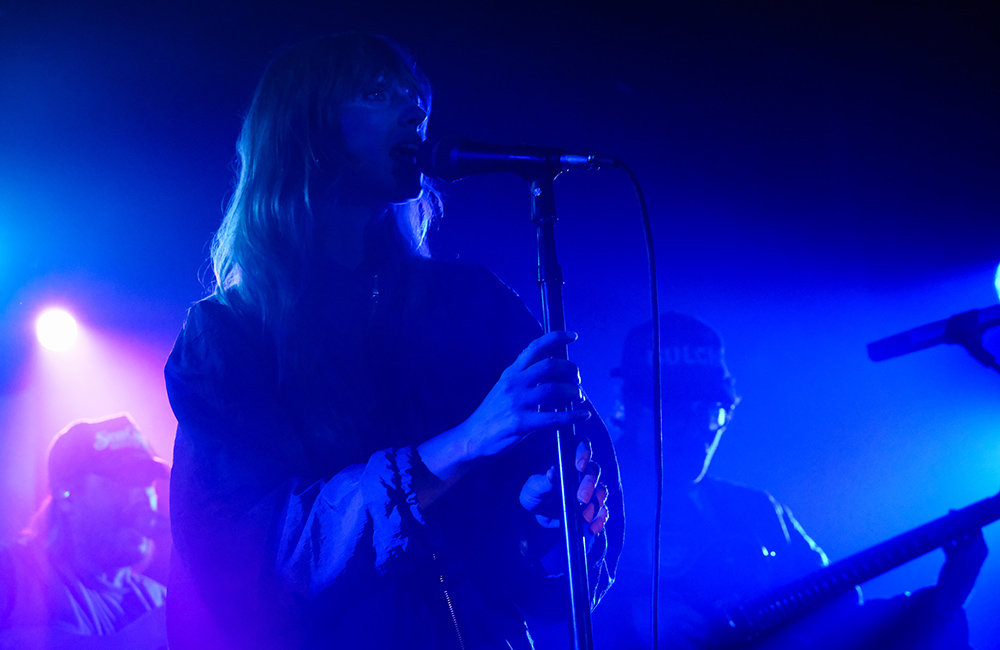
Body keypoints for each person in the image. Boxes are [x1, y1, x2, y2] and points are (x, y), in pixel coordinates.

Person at [164, 33, 621, 650]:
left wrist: (537, 509)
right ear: (305, 130)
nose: (413, 112)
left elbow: (517, 550)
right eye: (376, 94)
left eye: (415, 97)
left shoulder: (473, 301)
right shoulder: (229, 336)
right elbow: (260, 553)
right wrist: (462, 444)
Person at [598, 312, 987, 650]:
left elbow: (842, 625)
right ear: (628, 406)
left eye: (712, 411)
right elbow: (538, 610)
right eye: (677, 409)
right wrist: (626, 619)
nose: (696, 429)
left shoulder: (757, 514)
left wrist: (946, 599)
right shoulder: (572, 502)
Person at [0, 414, 169, 650]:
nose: (142, 496)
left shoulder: (160, 598)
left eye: (148, 481)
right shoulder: (11, 575)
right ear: (67, 495)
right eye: (126, 478)